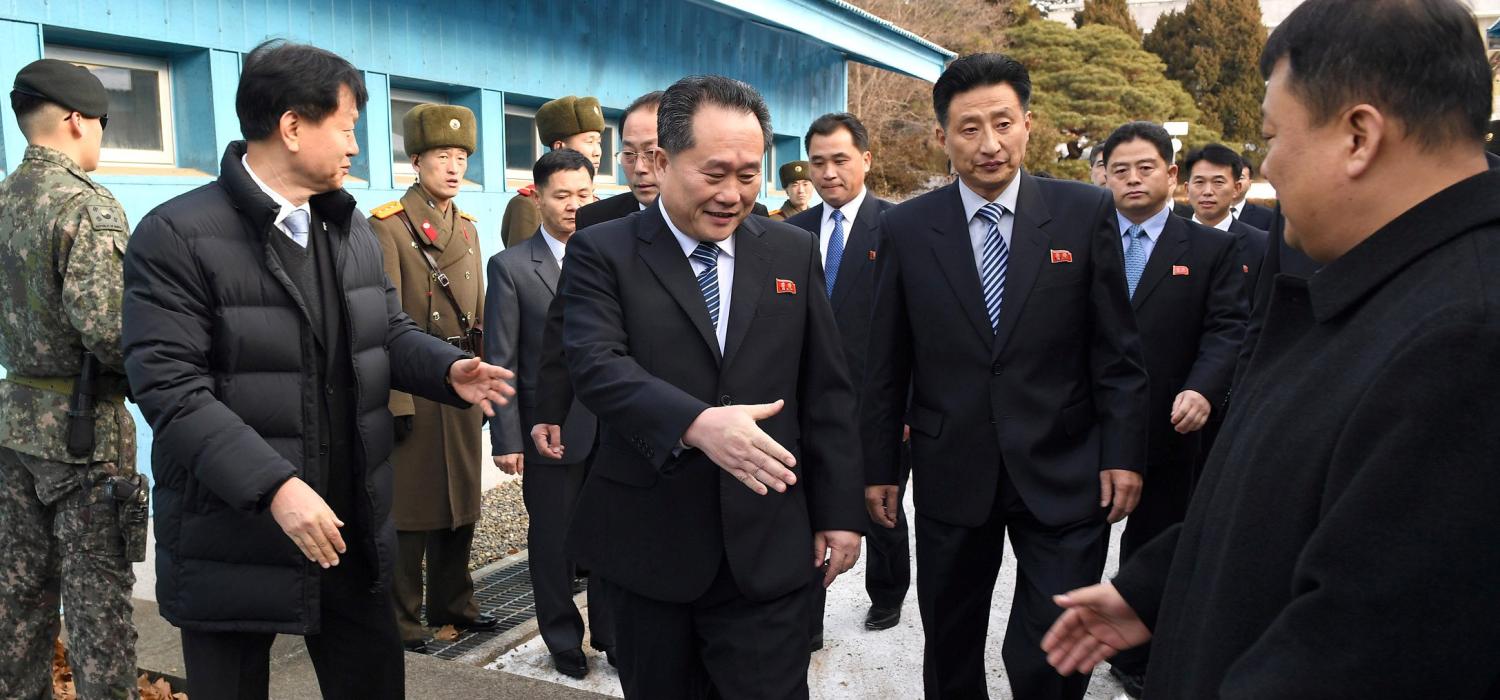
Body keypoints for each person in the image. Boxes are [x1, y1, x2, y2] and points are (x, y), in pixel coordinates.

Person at [1042, 2, 1500, 698]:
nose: (1267, 166)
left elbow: (1364, 648)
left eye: (1271, 135)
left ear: (1358, 136)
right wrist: (1161, 585)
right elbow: (1287, 501)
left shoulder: (1466, 341)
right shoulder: (1369, 279)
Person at [121, 40, 515, 699]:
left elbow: (383, 333)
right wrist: (275, 486)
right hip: (232, 528)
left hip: (345, 522)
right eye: (347, 127)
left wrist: (448, 370)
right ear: (293, 125)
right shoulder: (176, 235)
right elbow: (170, 389)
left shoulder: (346, 226)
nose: (357, 147)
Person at [559, 74, 865, 698]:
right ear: (664, 161)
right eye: (714, 172)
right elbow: (595, 364)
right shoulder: (602, 251)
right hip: (651, 548)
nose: (733, 194)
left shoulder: (791, 251)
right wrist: (696, 424)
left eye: (749, 175)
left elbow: (827, 391)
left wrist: (840, 515)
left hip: (769, 547)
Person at [861, 53, 1149, 700]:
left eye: (1003, 123)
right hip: (952, 468)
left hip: (1065, 464)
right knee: (952, 642)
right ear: (942, 137)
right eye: (969, 128)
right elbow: (886, 362)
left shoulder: (1083, 212)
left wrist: (1123, 451)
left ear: (1028, 124)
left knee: (1054, 646)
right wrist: (879, 467)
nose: (988, 144)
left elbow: (1116, 351)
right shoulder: (905, 228)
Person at [0, 58, 141, 700]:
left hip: (15, 426)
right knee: (98, 619)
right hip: (83, 439)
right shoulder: (87, 206)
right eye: (104, 123)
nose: (103, 136)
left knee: (18, 609)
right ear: (76, 120)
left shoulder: (4, 198)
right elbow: (108, 328)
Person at [1095, 122, 1247, 697]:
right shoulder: (1083, 238)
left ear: (1171, 175)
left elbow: (1228, 329)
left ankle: (1138, 659)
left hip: (1172, 424)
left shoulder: (1212, 247)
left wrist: (1205, 388)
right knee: (1075, 541)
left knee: (1156, 543)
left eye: (1146, 168)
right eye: (1120, 170)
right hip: (1091, 426)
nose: (1133, 179)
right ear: (1104, 176)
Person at [368, 103, 494, 653]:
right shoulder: (388, 227)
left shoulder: (467, 227)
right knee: (412, 511)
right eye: (442, 155)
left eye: (461, 156)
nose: (453, 166)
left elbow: (480, 314)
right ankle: (402, 618)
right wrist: (396, 401)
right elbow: (383, 325)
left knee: (461, 502)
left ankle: (454, 603)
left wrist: (488, 387)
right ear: (415, 160)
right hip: (419, 383)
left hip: (462, 378)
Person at [485, 148, 612, 678]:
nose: (575, 206)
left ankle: (614, 634)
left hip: (612, 425)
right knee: (553, 542)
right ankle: (563, 639)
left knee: (614, 535)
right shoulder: (512, 268)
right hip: (550, 431)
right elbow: (501, 357)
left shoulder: (612, 253)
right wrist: (506, 437)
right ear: (538, 197)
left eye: (584, 194)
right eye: (563, 196)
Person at [783, 112, 902, 646]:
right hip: (808, 403)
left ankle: (888, 593)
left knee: (880, 509)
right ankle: (808, 617)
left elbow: (918, 329)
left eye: (840, 160)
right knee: (808, 508)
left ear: (866, 161)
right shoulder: (790, 233)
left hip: (880, 403)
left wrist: (906, 407)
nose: (828, 173)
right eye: (819, 162)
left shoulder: (898, 227)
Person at [502, 95, 605, 248]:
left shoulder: (597, 202)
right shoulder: (527, 204)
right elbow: (524, 266)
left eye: (599, 142)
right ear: (559, 146)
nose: (597, 151)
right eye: (589, 142)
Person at [1182, 144, 1268, 301]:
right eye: (1199, 182)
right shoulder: (1166, 239)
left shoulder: (1261, 244)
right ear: (1187, 189)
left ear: (1236, 188)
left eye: (1218, 182)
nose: (1207, 191)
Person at [577, 91, 663, 229]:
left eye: (651, 153)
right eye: (629, 153)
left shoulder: (706, 216)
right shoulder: (594, 220)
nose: (639, 168)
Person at [1230, 158, 1275, 230]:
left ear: (1250, 183)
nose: (1236, 182)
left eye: (1241, 177)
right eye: (1231, 176)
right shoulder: (1207, 214)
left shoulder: (1268, 217)